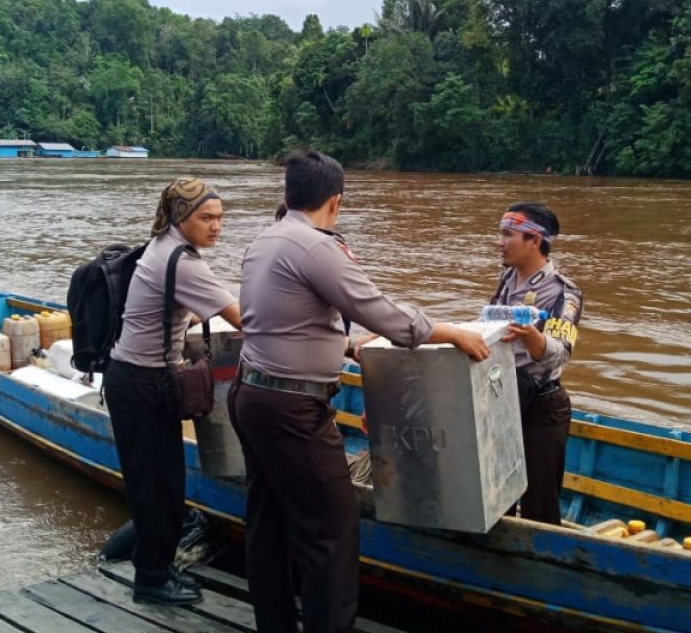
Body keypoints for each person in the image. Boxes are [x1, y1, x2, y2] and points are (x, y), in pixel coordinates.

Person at [231, 150, 490, 633]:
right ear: (335, 202)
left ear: (287, 196)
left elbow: (279, 322)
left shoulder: (265, 241)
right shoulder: (315, 247)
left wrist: (344, 346)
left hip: (253, 394)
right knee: (331, 529)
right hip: (292, 410)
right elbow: (381, 312)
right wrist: (451, 331)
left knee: (268, 519)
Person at [105, 177, 242, 606]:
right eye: (206, 217)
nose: (216, 226)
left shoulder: (164, 244)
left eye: (220, 217)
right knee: (155, 486)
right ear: (181, 217)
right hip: (140, 383)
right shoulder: (182, 262)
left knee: (162, 482)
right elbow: (246, 320)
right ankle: (150, 581)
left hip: (139, 379)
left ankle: (158, 570)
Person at [491, 202, 583, 525]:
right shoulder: (506, 281)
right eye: (500, 234)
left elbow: (560, 352)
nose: (499, 242)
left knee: (539, 505)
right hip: (504, 397)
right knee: (496, 492)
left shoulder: (563, 293)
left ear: (534, 240)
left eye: (507, 234)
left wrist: (533, 338)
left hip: (542, 406)